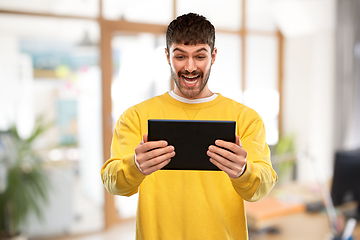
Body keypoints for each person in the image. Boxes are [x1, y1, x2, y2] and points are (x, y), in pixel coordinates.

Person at [101, 13, 278, 240]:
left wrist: (243, 171)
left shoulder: (246, 119)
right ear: (167, 57)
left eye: (200, 56)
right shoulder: (135, 116)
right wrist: (135, 165)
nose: (190, 66)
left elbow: (260, 188)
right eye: (180, 56)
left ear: (213, 56)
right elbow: (114, 184)